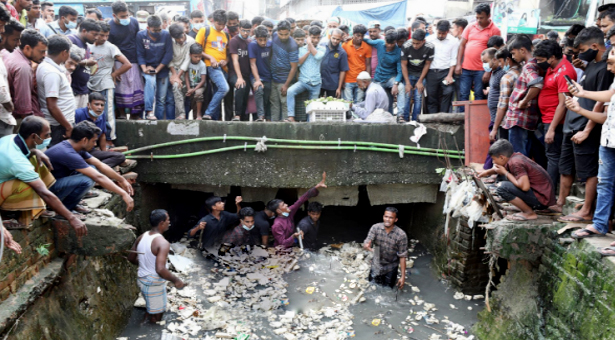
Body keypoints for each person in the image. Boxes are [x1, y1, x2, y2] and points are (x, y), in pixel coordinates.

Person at [554, 27, 612, 224]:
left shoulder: (606, 68)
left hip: (586, 124)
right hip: (573, 122)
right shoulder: (591, 66)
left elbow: (601, 102)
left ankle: (588, 210)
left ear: (594, 46)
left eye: (580, 50)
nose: (577, 55)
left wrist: (587, 129)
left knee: (589, 171)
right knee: (567, 166)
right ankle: (565, 203)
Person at [564, 49, 615, 252]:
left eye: (611, 63)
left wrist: (583, 93)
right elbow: (607, 116)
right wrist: (581, 109)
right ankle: (600, 224)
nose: (608, 68)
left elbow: (610, 95)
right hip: (608, 141)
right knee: (605, 184)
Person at [0, 116, 86, 234]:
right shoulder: (17, 161)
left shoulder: (12, 138)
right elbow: (44, 192)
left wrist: (36, 151)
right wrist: (72, 218)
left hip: (4, 178)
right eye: (46, 135)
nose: (49, 138)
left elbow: (25, 153)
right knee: (28, 186)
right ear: (34, 136)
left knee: (37, 160)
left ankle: (42, 205)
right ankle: (10, 217)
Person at [45, 120, 134, 214]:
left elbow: (99, 164)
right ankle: (66, 209)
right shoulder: (67, 152)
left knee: (92, 168)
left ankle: (70, 203)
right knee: (88, 179)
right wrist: (123, 193)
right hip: (47, 191)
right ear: (84, 140)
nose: (95, 144)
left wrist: (122, 179)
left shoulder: (75, 147)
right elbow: (98, 177)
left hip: (57, 183)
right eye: (94, 141)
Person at [128, 209, 185, 323]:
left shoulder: (142, 236)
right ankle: (146, 330)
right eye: (168, 220)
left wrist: (146, 263)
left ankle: (143, 324)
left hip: (142, 279)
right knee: (157, 315)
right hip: (153, 282)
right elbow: (160, 269)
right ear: (161, 223)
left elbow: (131, 258)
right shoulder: (163, 243)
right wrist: (176, 280)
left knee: (151, 307)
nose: (169, 222)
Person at [478, 139, 556, 221]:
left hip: (542, 200)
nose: (493, 162)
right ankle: (522, 206)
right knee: (501, 177)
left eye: (494, 159)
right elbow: (498, 169)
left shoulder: (516, 163)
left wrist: (505, 173)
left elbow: (525, 187)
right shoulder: (514, 157)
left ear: (502, 157)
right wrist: (485, 173)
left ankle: (529, 213)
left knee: (502, 188)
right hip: (541, 196)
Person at [535, 39, 577, 189]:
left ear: (552, 57)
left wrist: (552, 129)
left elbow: (563, 103)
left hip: (556, 122)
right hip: (547, 119)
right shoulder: (552, 68)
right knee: (549, 155)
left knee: (553, 157)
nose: (539, 63)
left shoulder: (565, 71)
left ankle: (549, 193)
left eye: (541, 60)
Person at [87, 21, 131, 142]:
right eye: (101, 35)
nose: (104, 38)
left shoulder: (111, 47)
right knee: (90, 114)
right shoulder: (88, 46)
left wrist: (114, 74)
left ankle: (109, 139)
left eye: (107, 35)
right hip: (90, 84)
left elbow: (127, 64)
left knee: (107, 114)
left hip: (106, 84)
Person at [502, 34, 543, 156]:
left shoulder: (529, 66)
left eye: (514, 53)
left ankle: (519, 175)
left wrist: (524, 101)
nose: (513, 57)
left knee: (518, 155)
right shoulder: (533, 65)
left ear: (522, 50)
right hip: (523, 118)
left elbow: (537, 84)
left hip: (519, 118)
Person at [74, 92, 135, 171]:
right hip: (78, 152)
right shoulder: (78, 114)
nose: (99, 107)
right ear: (88, 105)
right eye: (96, 104)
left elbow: (102, 135)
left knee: (120, 156)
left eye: (102, 105)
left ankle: (94, 169)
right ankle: (93, 169)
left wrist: (104, 153)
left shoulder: (102, 115)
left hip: (91, 151)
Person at [455, 4, 501, 106]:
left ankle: (476, 120)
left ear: (489, 15)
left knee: (479, 94)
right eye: (477, 17)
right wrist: (458, 64)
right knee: (463, 94)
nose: (478, 20)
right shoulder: (470, 26)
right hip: (466, 68)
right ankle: (463, 119)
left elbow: (496, 53)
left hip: (481, 69)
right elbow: (462, 45)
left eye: (481, 18)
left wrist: (488, 71)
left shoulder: (495, 30)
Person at [37, 35, 75, 147]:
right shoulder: (51, 73)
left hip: (60, 123)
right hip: (58, 125)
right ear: (64, 52)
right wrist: (68, 127)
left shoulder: (51, 67)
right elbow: (52, 105)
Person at [108, 1, 144, 119]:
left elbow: (138, 40)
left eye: (127, 15)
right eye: (122, 16)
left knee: (136, 87)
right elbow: (110, 49)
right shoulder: (110, 27)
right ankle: (122, 114)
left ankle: (135, 115)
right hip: (119, 62)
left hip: (134, 60)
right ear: (115, 15)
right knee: (121, 88)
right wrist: (114, 69)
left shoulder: (133, 22)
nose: (126, 18)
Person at [4, 28, 46, 128]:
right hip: (19, 120)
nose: (44, 55)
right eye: (41, 52)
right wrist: (33, 126)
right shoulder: (23, 68)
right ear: (27, 48)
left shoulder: (11, 55)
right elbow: (23, 107)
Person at [271, 172, 326, 248]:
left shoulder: (289, 212)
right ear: (279, 211)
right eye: (283, 205)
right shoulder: (277, 225)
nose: (287, 205)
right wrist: (293, 236)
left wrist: (316, 187)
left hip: (292, 246)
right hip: (281, 250)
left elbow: (301, 200)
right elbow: (282, 244)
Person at [195, 9, 230, 121]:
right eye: (218, 24)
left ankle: (214, 120)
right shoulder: (205, 30)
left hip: (223, 68)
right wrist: (210, 57)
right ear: (213, 21)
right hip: (211, 66)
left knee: (218, 92)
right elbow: (196, 49)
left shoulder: (226, 34)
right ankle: (208, 113)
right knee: (224, 88)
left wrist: (226, 61)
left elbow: (228, 53)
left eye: (223, 24)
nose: (220, 27)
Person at [137, 15, 173, 120]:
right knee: (150, 83)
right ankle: (148, 112)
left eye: (159, 30)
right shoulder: (140, 35)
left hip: (162, 70)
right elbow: (140, 54)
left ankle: (159, 122)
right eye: (154, 30)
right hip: (146, 69)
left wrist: (157, 69)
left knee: (161, 99)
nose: (157, 32)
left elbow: (168, 55)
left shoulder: (166, 35)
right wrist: (144, 69)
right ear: (148, 28)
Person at [287, 26, 326, 122]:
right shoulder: (301, 49)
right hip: (303, 81)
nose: (316, 40)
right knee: (290, 91)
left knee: (312, 108)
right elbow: (298, 63)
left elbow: (317, 56)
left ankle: (310, 125)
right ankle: (291, 117)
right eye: (313, 37)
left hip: (316, 83)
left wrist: (309, 44)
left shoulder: (322, 49)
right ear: (309, 36)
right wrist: (308, 51)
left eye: (318, 37)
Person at [363, 207, 408, 289]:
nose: (387, 219)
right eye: (386, 216)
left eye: (391, 217)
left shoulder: (401, 235)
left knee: (388, 290)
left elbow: (402, 256)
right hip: (376, 265)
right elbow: (367, 241)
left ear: (396, 219)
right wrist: (367, 246)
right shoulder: (375, 228)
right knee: (371, 287)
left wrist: (403, 277)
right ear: (383, 217)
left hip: (391, 267)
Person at [365, 30, 405, 115]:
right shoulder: (379, 43)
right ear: (385, 39)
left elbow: (400, 71)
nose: (389, 46)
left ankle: (400, 115)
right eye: (388, 43)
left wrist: (395, 84)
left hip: (390, 78)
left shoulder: (398, 51)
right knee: (385, 101)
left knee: (401, 87)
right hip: (378, 79)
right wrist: (353, 38)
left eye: (392, 43)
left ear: (395, 41)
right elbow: (367, 40)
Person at [482, 47, 507, 170]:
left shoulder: (502, 73)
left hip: (499, 118)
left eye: (486, 61)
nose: (484, 64)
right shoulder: (494, 73)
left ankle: (490, 170)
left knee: (497, 146)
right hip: (494, 116)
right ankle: (489, 169)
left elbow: (504, 97)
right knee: (494, 144)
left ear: (495, 60)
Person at [425, 20, 458, 114]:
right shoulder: (429, 40)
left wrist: (450, 75)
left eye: (443, 33)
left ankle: (443, 116)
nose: (440, 35)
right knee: (432, 96)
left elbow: (453, 59)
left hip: (446, 72)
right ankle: (432, 118)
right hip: (431, 72)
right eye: (439, 33)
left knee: (448, 91)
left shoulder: (453, 41)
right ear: (436, 30)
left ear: (447, 31)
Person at [67, 19, 100, 109]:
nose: (97, 38)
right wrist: (86, 62)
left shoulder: (87, 46)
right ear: (84, 31)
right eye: (94, 34)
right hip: (73, 90)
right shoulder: (71, 40)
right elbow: (65, 62)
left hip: (83, 90)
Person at [401, 29, 433, 122]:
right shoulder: (406, 46)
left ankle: (416, 121)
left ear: (424, 41)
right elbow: (403, 64)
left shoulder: (430, 47)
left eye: (417, 43)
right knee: (407, 96)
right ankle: (405, 120)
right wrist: (407, 82)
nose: (415, 45)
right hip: (409, 74)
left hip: (421, 75)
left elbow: (427, 64)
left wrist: (420, 81)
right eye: (413, 43)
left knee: (418, 97)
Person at [490, 48, 520, 143]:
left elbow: (503, 105)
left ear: (507, 60)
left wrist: (494, 128)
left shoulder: (507, 78)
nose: (499, 64)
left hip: (510, 121)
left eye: (500, 61)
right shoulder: (523, 71)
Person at [269, 20, 298, 121]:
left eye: (286, 34)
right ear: (277, 32)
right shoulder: (274, 37)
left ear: (290, 32)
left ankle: (285, 129)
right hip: (273, 79)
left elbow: (294, 67)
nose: (284, 37)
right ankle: (273, 129)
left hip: (284, 80)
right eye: (281, 34)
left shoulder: (292, 45)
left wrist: (286, 85)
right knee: (274, 105)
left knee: (285, 105)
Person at [167, 23, 194, 120]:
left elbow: (187, 60)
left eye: (182, 36)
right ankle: (181, 114)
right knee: (176, 86)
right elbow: (168, 58)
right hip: (172, 69)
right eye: (178, 39)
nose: (181, 40)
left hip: (185, 71)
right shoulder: (169, 41)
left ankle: (182, 116)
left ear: (184, 32)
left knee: (186, 94)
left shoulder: (191, 41)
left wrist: (178, 76)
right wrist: (174, 75)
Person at [229, 19, 252, 121]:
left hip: (247, 74)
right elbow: (235, 60)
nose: (245, 33)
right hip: (235, 73)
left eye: (248, 30)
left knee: (246, 97)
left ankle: (243, 119)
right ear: (239, 29)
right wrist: (239, 77)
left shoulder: (250, 41)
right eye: (243, 30)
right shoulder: (234, 41)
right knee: (241, 86)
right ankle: (237, 115)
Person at [342, 24, 371, 103]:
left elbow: (368, 64)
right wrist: (342, 81)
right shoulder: (345, 45)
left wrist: (367, 80)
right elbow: (341, 63)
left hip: (361, 80)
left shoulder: (366, 47)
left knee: (359, 102)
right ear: (353, 34)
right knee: (347, 103)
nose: (360, 38)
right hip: (348, 79)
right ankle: (349, 116)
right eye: (358, 35)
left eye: (362, 36)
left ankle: (356, 116)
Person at [249, 25, 272, 121]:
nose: (263, 42)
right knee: (258, 90)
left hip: (268, 76)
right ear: (256, 38)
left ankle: (267, 117)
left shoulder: (271, 44)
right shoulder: (252, 45)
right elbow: (253, 64)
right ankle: (260, 116)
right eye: (260, 40)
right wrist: (257, 80)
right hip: (256, 75)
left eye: (265, 39)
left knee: (267, 97)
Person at [320, 28, 348, 98]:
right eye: (333, 38)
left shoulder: (342, 53)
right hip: (320, 82)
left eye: (338, 39)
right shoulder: (322, 46)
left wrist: (339, 88)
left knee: (332, 105)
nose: (335, 41)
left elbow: (343, 71)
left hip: (333, 84)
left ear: (341, 39)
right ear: (330, 36)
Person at [184, 43, 206, 120]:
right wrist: (189, 88)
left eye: (200, 56)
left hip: (199, 86)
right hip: (190, 85)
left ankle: (198, 114)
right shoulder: (188, 63)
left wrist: (194, 89)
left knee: (198, 94)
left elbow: (203, 80)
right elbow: (186, 76)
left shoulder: (202, 65)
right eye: (195, 56)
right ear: (190, 55)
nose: (198, 59)